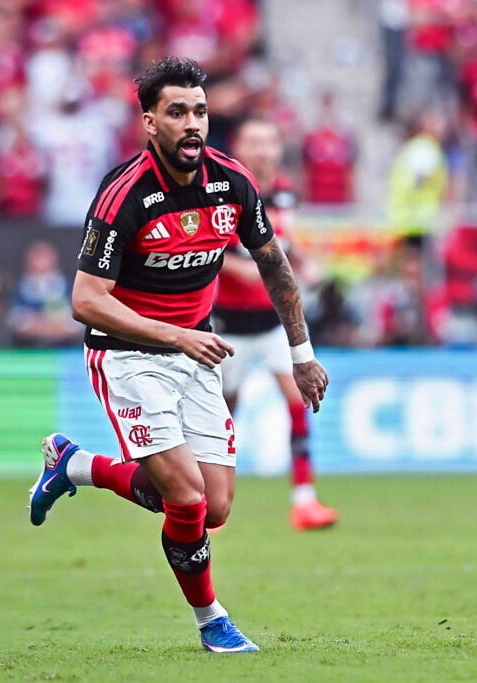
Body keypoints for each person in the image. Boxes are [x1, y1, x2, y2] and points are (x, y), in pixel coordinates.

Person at [27, 57, 329, 654]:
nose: (193, 124)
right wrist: (175, 335)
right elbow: (86, 301)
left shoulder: (232, 182)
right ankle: (212, 621)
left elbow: (274, 264)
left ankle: (76, 464)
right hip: (128, 356)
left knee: (213, 507)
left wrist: (302, 352)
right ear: (149, 122)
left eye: (200, 111)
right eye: (177, 112)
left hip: (195, 355)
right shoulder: (124, 195)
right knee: (186, 498)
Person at [213, 117, 338, 531]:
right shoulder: (222, 189)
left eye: (270, 141)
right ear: (240, 147)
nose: (264, 150)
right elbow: (204, 252)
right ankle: (211, 500)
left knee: (299, 398)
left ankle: (304, 500)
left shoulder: (283, 192)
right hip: (228, 326)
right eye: (255, 141)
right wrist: (241, 270)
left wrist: (303, 261)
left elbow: (284, 241)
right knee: (224, 413)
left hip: (273, 324)